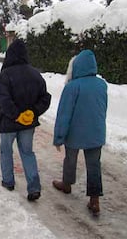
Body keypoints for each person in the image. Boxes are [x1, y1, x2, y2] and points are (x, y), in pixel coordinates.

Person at [52, 49, 108, 217]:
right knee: (94, 165)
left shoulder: (72, 87)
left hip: (74, 133)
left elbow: (64, 114)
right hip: (96, 133)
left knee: (70, 159)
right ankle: (94, 200)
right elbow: (102, 108)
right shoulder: (102, 84)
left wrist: (59, 137)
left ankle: (67, 184)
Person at [0, 39, 51, 201]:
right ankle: (34, 187)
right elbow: (45, 98)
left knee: (6, 151)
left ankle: (8, 181)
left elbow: (3, 100)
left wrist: (16, 114)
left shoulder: (3, 76)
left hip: (8, 123)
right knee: (27, 152)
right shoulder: (36, 75)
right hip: (28, 124)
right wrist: (33, 112)